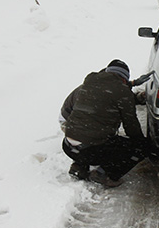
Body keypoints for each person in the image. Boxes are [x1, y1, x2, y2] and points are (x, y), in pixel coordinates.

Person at [61, 59, 152, 187]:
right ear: (124, 79)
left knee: (86, 129)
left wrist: (131, 85)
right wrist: (143, 145)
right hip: (92, 150)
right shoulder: (122, 92)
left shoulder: (89, 83)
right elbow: (131, 125)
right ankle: (103, 174)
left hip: (68, 146)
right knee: (138, 147)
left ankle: (79, 166)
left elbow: (109, 94)